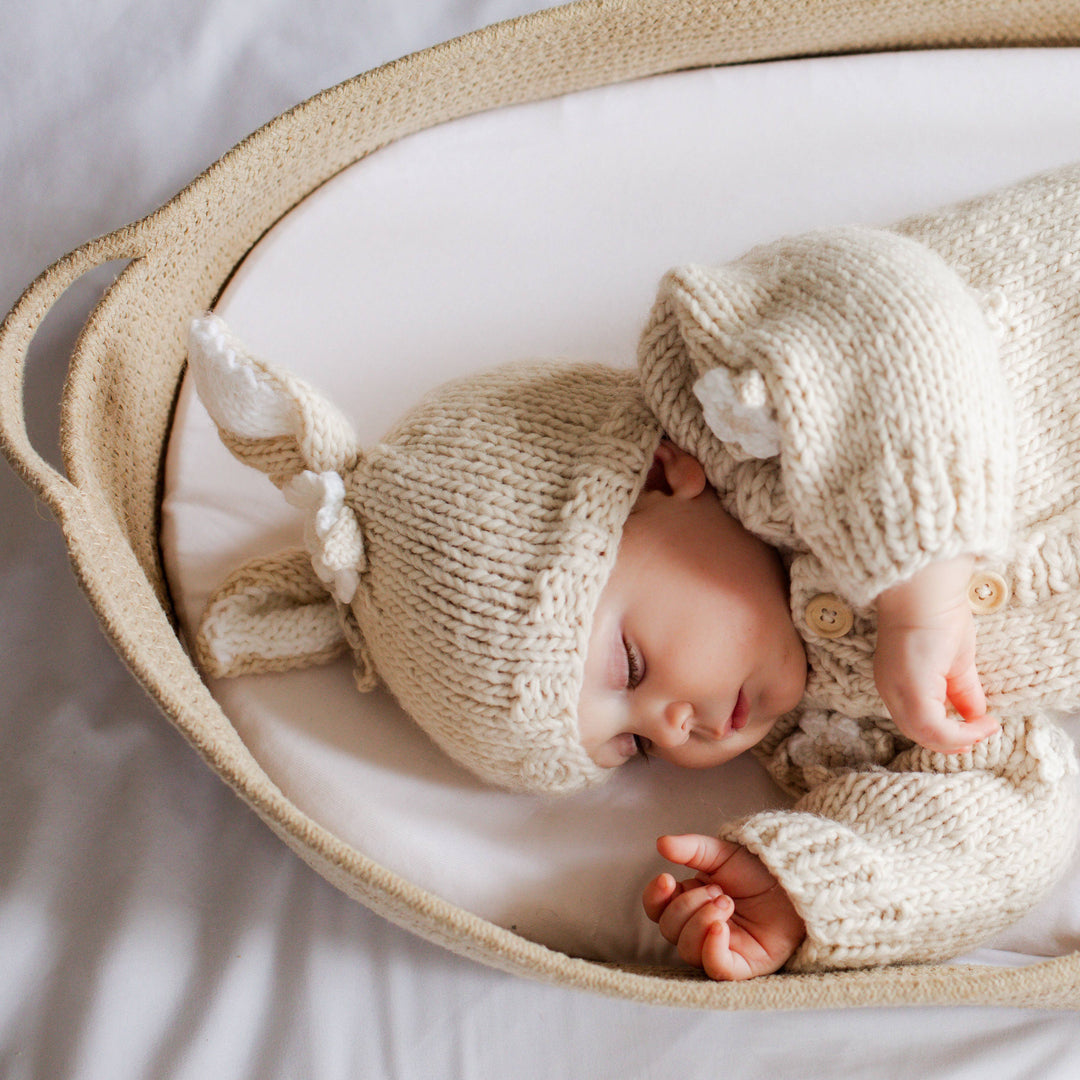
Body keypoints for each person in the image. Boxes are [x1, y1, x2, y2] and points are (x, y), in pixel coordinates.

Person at [188, 163, 1080, 981]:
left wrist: (919, 588)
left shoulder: (731, 394)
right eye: (637, 746)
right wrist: (809, 890)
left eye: (632, 668)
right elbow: (1014, 818)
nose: (676, 727)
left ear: (658, 476)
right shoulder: (826, 734)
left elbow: (893, 311)